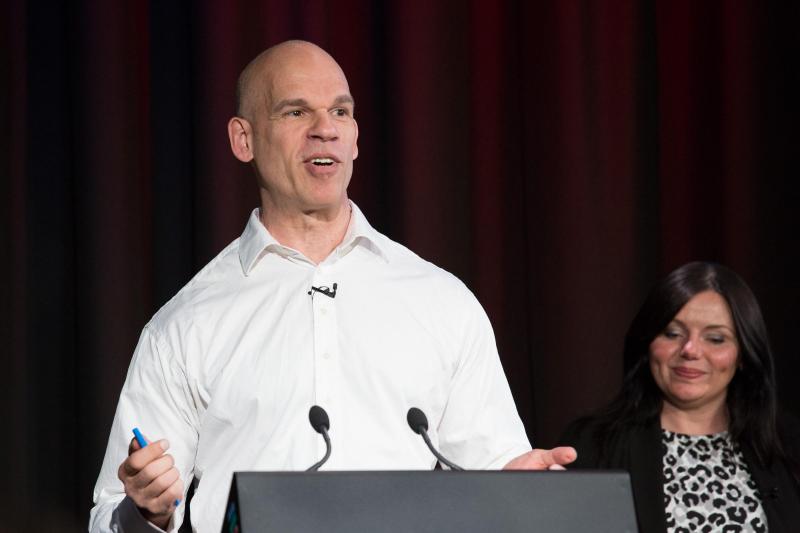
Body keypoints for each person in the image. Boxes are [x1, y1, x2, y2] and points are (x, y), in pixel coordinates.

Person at [89, 40, 575, 533]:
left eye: (339, 112)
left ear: (355, 136)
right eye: (296, 111)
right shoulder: (186, 322)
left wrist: (518, 489)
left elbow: (496, 476)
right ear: (243, 139)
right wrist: (146, 511)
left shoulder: (441, 301)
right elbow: (110, 514)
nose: (325, 130)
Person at [560, 261, 800, 533]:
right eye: (672, 333)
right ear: (648, 343)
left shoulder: (787, 444)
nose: (690, 350)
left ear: (743, 354)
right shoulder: (593, 443)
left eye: (716, 339)